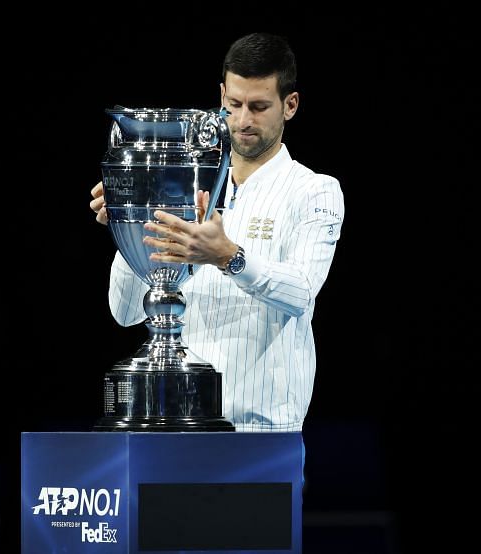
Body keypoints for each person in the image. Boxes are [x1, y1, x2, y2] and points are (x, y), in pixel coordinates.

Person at [90, 32, 344, 469]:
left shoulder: (315, 191)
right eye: (235, 105)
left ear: (291, 105)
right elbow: (126, 311)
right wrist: (133, 217)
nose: (243, 120)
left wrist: (229, 257)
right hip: (177, 429)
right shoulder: (186, 184)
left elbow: (301, 292)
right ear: (221, 95)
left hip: (261, 437)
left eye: (260, 107)